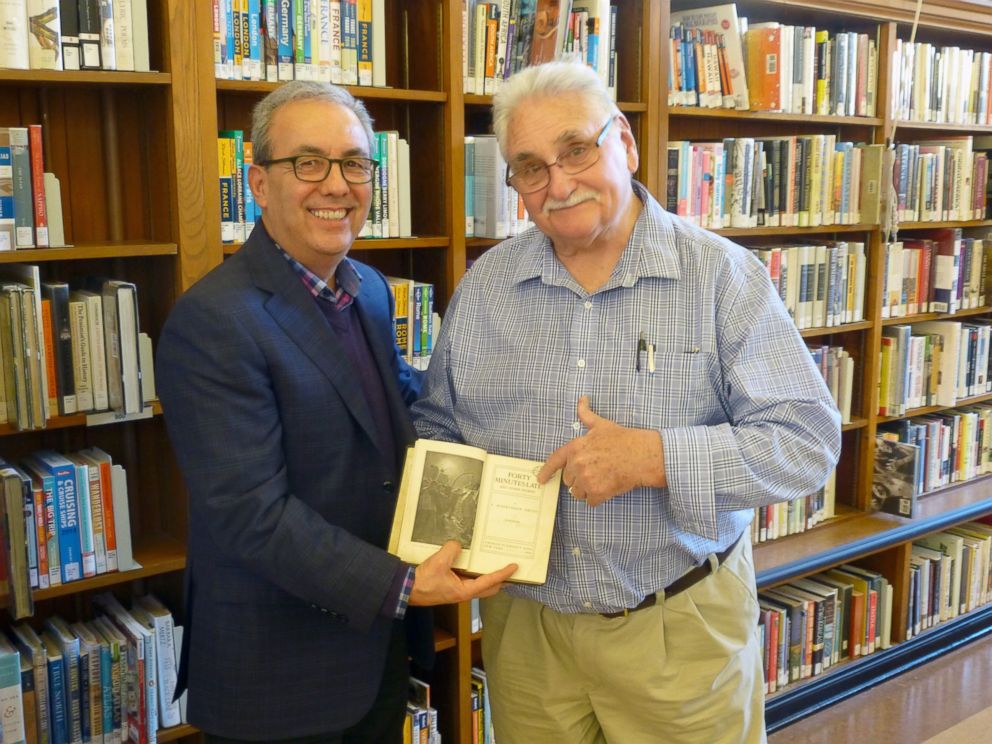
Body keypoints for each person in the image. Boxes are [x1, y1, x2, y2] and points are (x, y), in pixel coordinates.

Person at [412, 61, 842, 743]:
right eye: (530, 168)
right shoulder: (485, 288)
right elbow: (440, 429)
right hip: (528, 637)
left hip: (677, 629)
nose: (557, 184)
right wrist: (440, 535)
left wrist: (655, 457)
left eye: (577, 150)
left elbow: (805, 443)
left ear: (627, 145)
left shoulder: (722, 277)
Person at [156, 80, 515, 744]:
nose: (337, 184)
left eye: (354, 163)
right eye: (309, 163)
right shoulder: (214, 321)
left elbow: (402, 413)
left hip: (371, 648)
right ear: (260, 183)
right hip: (279, 676)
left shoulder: (368, 289)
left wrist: (515, 438)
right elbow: (249, 516)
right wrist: (404, 585)